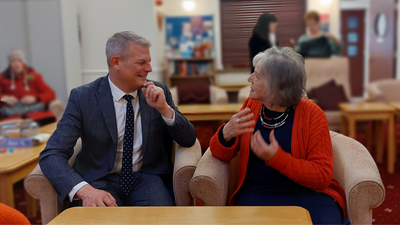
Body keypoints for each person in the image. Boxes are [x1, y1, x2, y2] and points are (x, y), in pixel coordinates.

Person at [39, 31, 196, 207]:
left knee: (160, 220)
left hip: (147, 178)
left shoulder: (158, 91)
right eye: (141, 62)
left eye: (149, 62)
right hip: (99, 179)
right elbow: (52, 153)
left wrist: (164, 109)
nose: (149, 69)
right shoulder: (84, 97)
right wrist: (84, 190)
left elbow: (189, 139)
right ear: (116, 62)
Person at [209, 46, 346, 224]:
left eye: (256, 76)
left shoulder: (313, 114)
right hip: (259, 193)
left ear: (277, 86)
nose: (249, 79)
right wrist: (225, 135)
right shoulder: (252, 105)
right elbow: (219, 153)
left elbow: (322, 176)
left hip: (310, 195)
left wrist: (277, 158)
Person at [0, 49, 56, 125]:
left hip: (37, 116)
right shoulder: (2, 78)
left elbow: (50, 94)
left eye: (20, 61)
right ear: (9, 64)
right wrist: (4, 99)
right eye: (13, 61)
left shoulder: (34, 76)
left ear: (24, 62)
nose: (17, 64)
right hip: (13, 118)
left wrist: (35, 98)